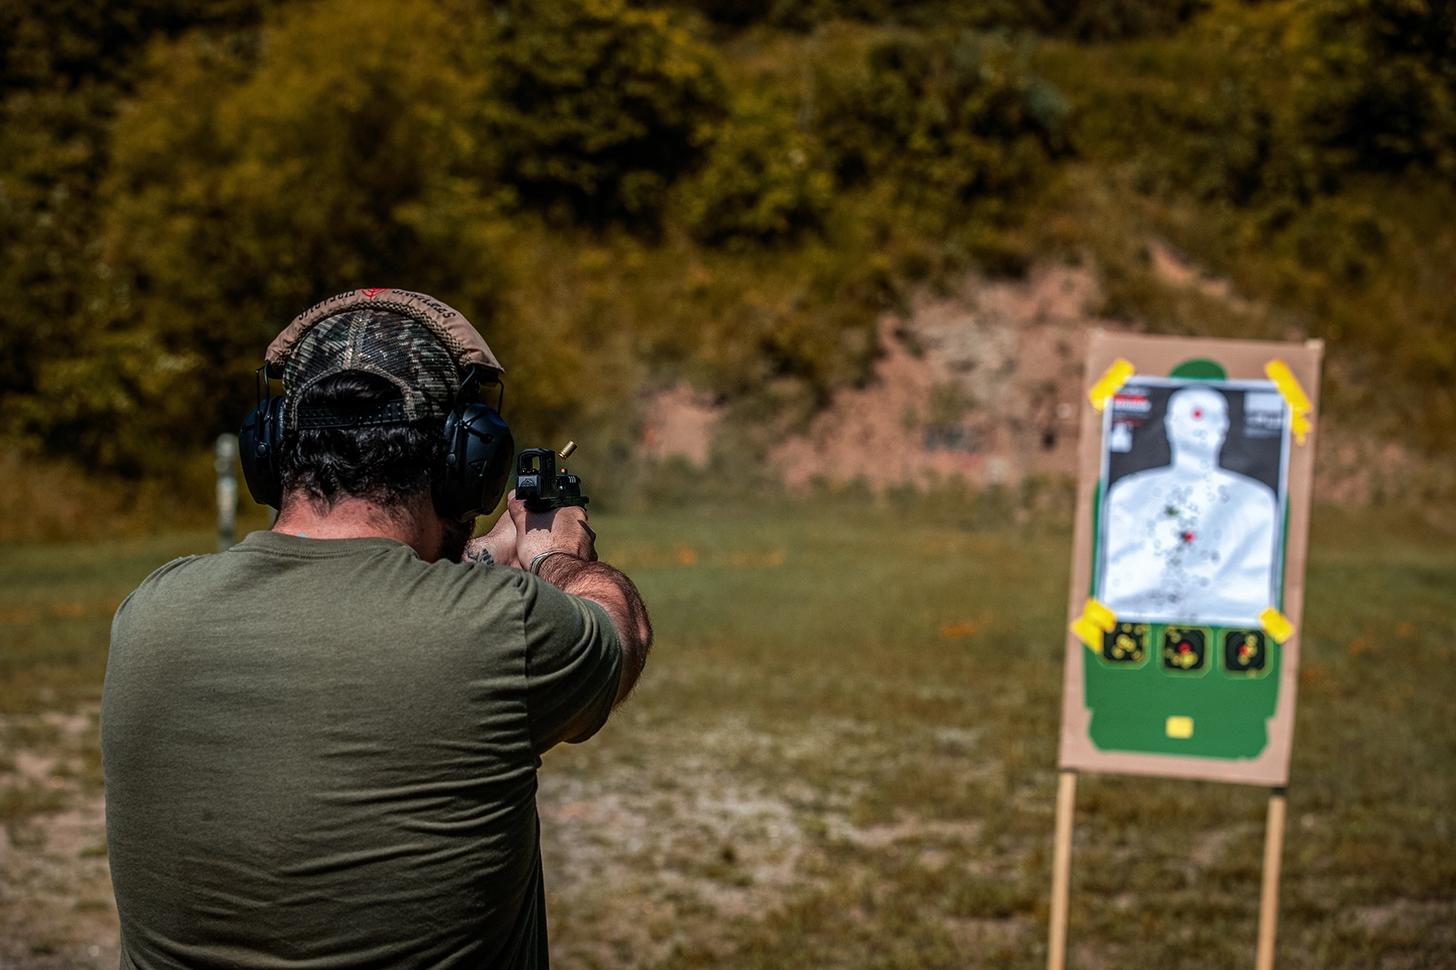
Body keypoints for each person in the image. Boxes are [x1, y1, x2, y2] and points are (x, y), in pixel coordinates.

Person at [101, 290, 652, 970]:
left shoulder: (150, 613)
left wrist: (481, 556)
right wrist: (555, 555)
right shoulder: (504, 628)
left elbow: (344, 595)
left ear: (270, 450)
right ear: (466, 463)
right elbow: (619, 630)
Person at [1100, 385, 1278, 626]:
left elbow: (1250, 591)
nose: (1201, 427)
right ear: (1169, 424)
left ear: (1224, 427)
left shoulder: (1257, 502)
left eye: (1211, 418)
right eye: (1191, 416)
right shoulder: (1128, 493)